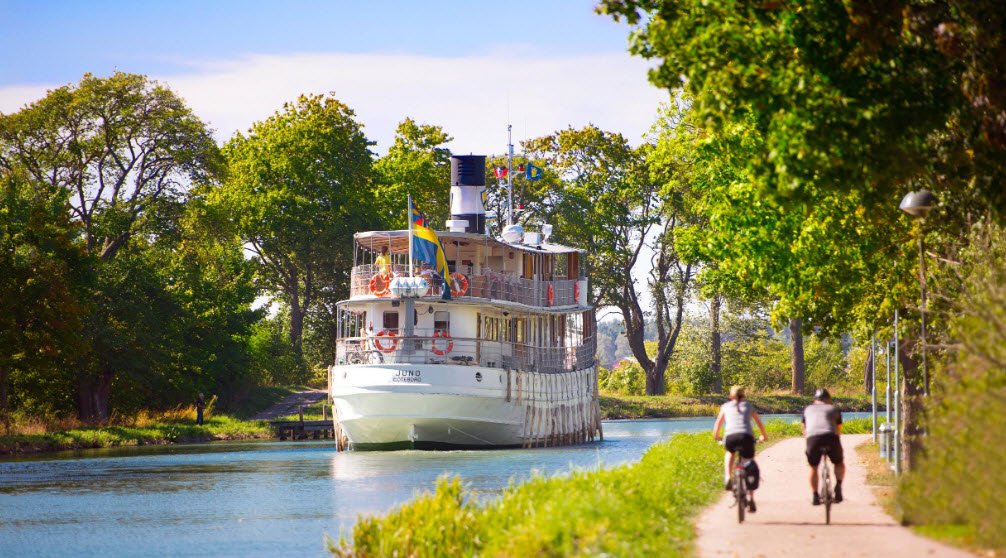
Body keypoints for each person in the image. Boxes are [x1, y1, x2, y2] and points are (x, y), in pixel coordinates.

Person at [713, 385, 769, 512]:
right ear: (744, 396)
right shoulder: (748, 406)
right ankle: (750, 498)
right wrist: (764, 437)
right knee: (749, 463)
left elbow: (717, 426)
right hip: (746, 437)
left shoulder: (725, 407)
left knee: (730, 452)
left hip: (731, 437)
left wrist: (718, 438)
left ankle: (728, 476)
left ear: (730, 396)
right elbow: (759, 424)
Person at [803, 388, 845, 505]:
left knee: (813, 467)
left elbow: (805, 430)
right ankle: (839, 487)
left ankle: (815, 496)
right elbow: (838, 429)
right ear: (828, 400)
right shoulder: (833, 409)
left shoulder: (808, 409)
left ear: (814, 400)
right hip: (830, 437)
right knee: (839, 462)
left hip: (813, 439)